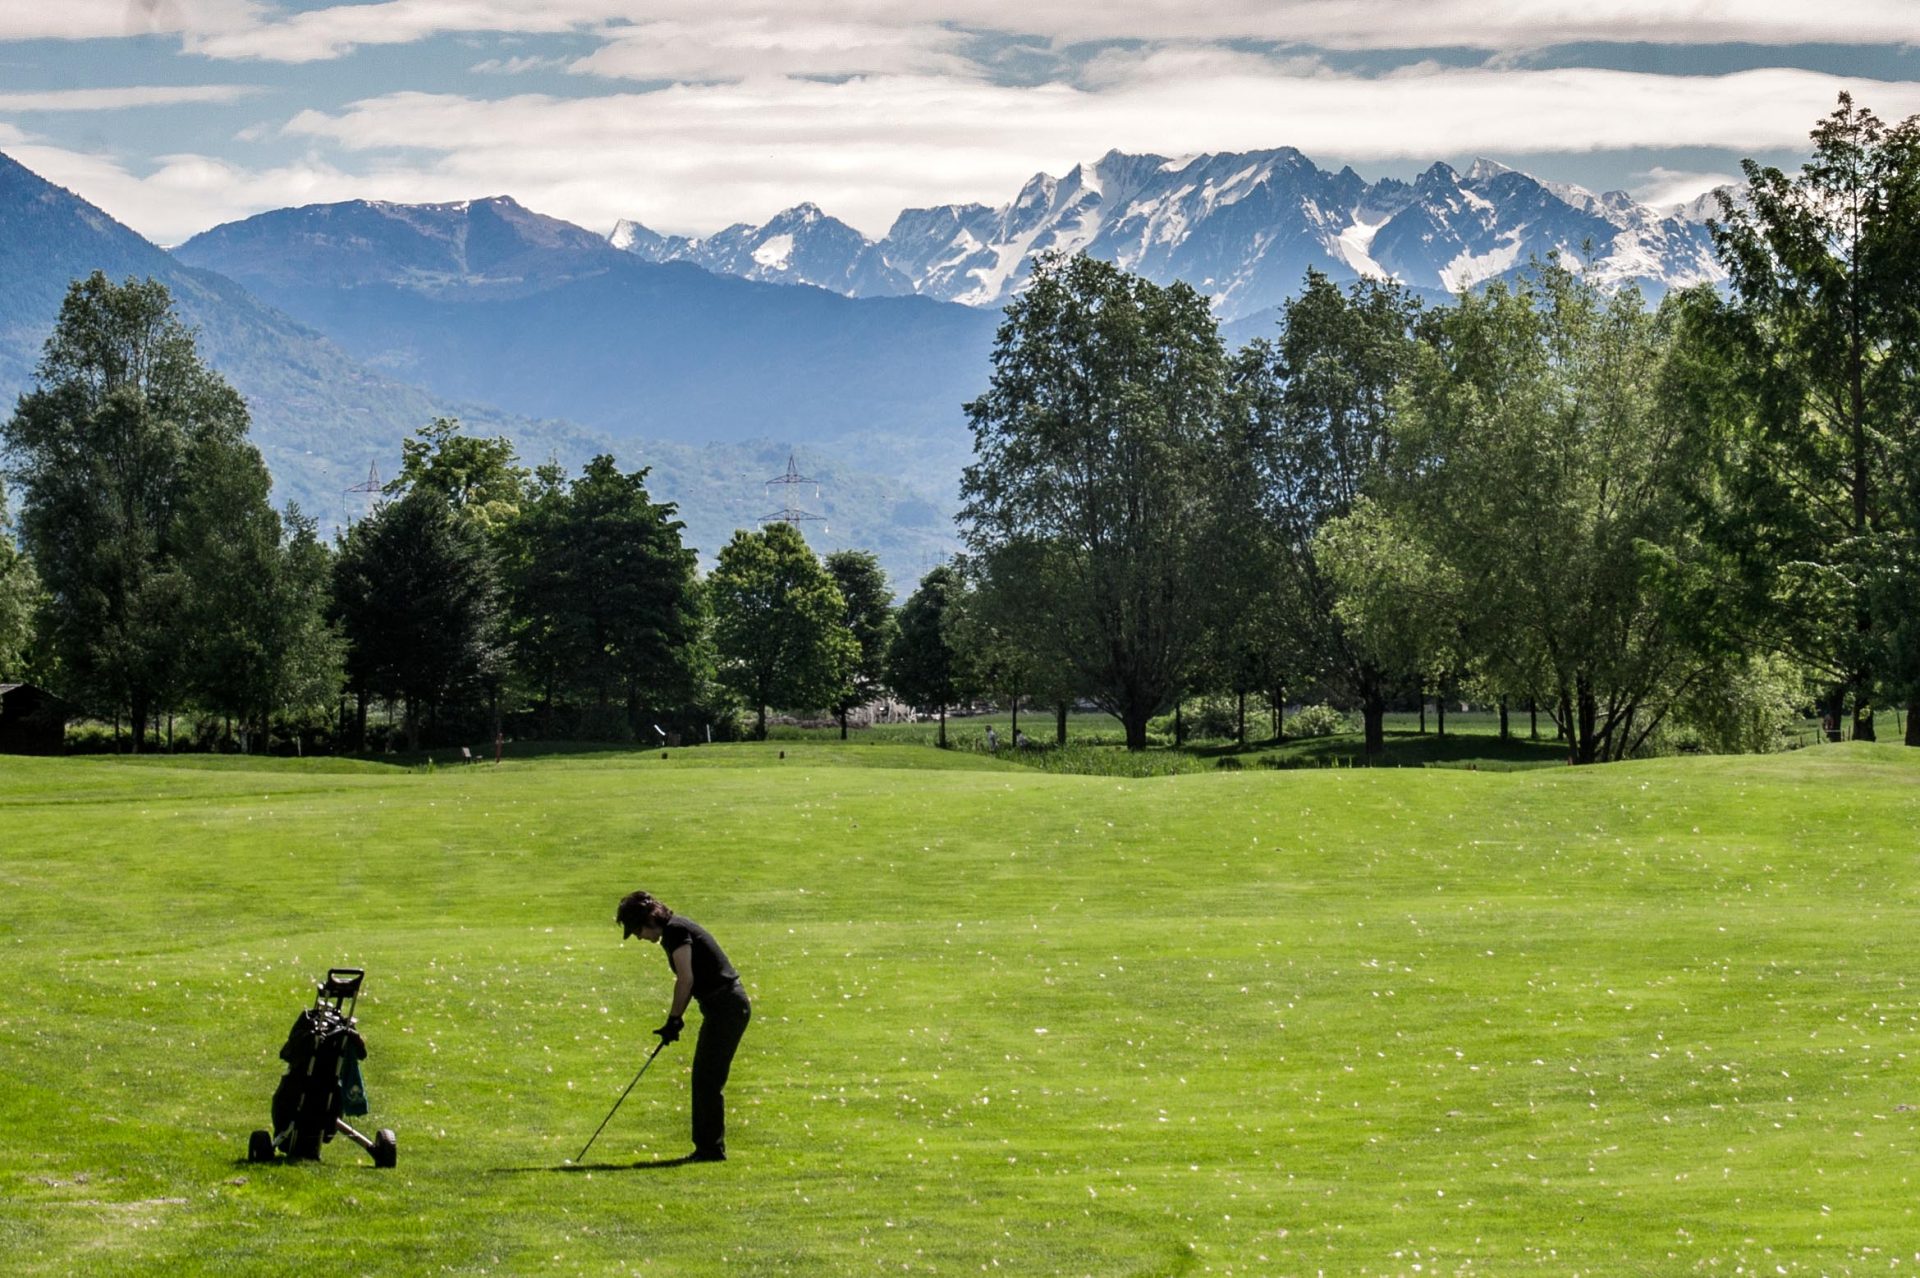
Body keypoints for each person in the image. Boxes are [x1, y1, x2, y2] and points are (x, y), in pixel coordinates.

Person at [616, 890, 751, 1162]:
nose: (640, 937)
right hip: (722, 1007)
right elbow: (689, 981)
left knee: (706, 1079)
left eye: (638, 930)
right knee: (705, 1078)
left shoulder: (676, 931)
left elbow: (685, 979)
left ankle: (710, 1150)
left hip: (727, 1007)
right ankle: (709, 1148)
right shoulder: (675, 930)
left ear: (649, 920)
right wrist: (675, 1021)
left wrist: (674, 1020)